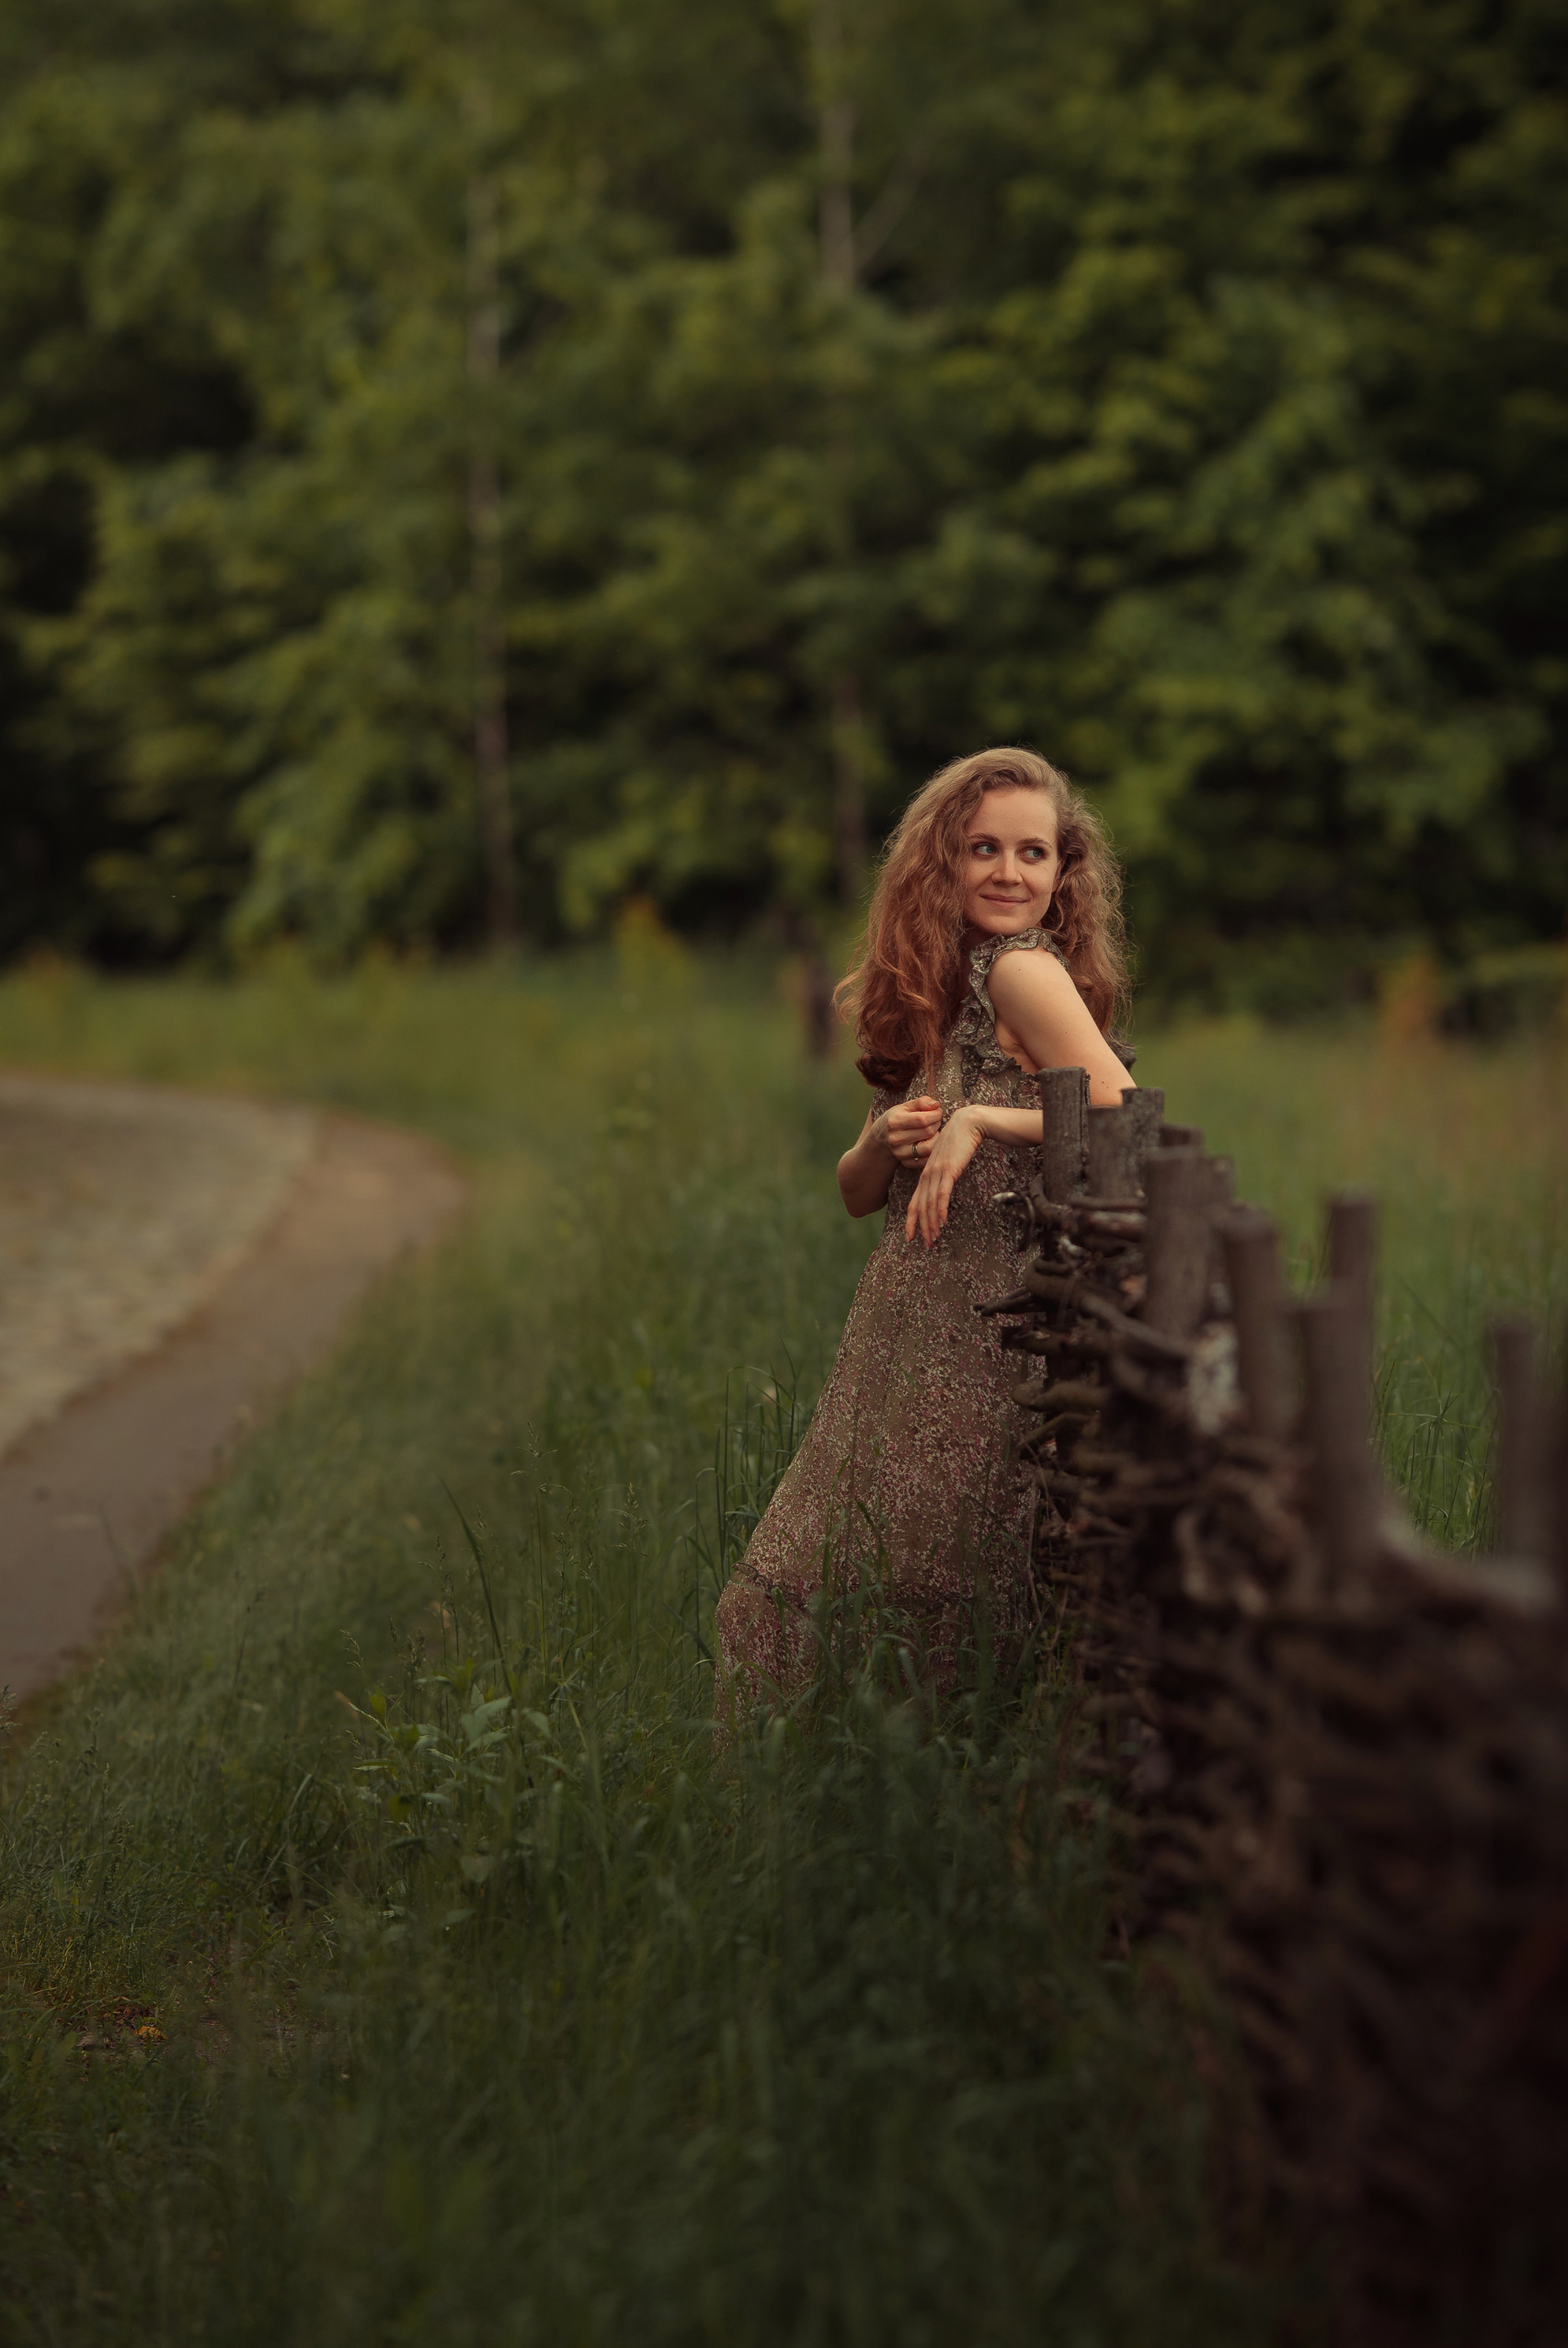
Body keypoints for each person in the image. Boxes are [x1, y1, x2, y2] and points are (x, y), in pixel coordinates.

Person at [714, 746, 1132, 1717]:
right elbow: (856, 1191)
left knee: (893, 1569)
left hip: (984, 1327)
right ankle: (866, 1780)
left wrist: (982, 1121)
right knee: (870, 1558)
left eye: (1033, 853)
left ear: (1063, 871)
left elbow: (1121, 1106)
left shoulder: (1024, 972)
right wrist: (889, 1137)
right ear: (938, 862)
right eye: (982, 848)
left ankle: (899, 1777)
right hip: (908, 1329)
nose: (1007, 871)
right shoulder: (952, 980)